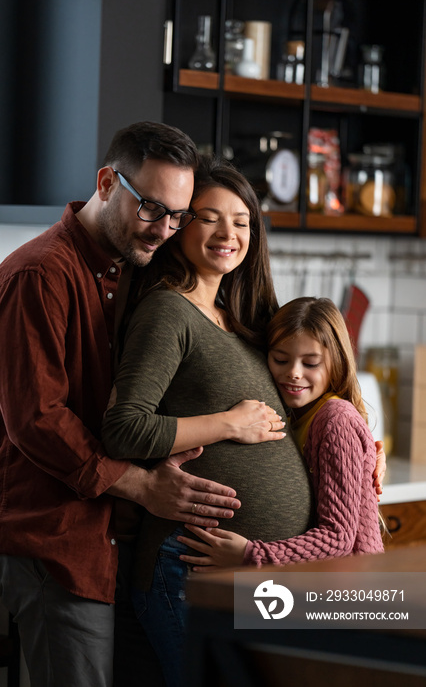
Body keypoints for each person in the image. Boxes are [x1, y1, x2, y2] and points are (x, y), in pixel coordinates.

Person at [0, 122, 248, 687]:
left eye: (178, 215)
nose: (164, 228)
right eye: (150, 207)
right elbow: (38, 421)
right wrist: (143, 486)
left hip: (108, 541)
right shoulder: (37, 274)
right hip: (53, 541)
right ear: (104, 182)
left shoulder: (129, 271)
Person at [102, 158, 386, 687]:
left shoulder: (246, 320)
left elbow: (308, 402)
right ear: (182, 224)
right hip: (190, 562)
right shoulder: (170, 311)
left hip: (261, 579)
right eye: (209, 217)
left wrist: (364, 450)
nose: (228, 233)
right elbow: (123, 427)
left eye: (241, 220)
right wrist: (227, 424)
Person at [178, 296, 385, 571]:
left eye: (310, 363)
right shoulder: (295, 414)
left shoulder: (335, 419)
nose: (294, 373)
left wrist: (251, 555)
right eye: (280, 359)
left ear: (337, 362)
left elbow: (338, 538)